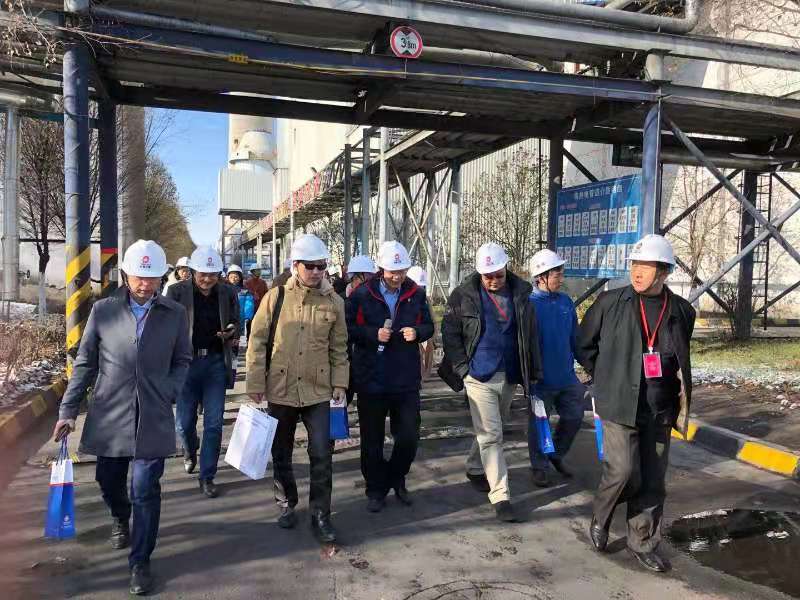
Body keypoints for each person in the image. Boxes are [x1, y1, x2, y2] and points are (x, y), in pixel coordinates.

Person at [53, 240, 192, 595]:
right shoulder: (104, 311)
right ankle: (120, 515)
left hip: (153, 412)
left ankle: (140, 562)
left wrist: (171, 389)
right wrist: (68, 411)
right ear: (126, 275)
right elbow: (85, 363)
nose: (145, 284)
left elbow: (182, 359)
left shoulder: (175, 314)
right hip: (110, 411)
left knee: (144, 488)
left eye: (152, 278)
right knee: (108, 479)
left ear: (161, 278)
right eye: (139, 277)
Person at [577, 234, 695, 573]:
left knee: (653, 479)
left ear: (664, 272)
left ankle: (642, 542)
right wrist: (604, 376)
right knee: (624, 470)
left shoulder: (682, 311)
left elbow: (680, 356)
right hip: (618, 402)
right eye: (634, 264)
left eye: (646, 265)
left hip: (659, 406)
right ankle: (601, 516)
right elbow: (584, 345)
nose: (637, 272)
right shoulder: (610, 303)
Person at [246, 233, 349, 543]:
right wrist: (255, 382)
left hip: (319, 390)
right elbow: (257, 341)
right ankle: (286, 503)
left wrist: (340, 383)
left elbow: (339, 347)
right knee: (281, 452)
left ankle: (321, 515)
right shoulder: (275, 297)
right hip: (281, 388)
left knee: (322, 454)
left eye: (321, 266)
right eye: (310, 266)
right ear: (295, 266)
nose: (316, 272)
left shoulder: (335, 303)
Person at [439, 242, 542, 522]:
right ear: (479, 273)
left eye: (498, 275)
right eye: (488, 276)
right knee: (492, 435)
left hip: (509, 373)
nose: (493, 281)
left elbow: (529, 335)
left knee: (491, 429)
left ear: (506, 269)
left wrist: (532, 371)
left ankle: (475, 466)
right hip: (478, 375)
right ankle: (500, 495)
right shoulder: (462, 296)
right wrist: (463, 370)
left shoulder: (521, 294)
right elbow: (450, 334)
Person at [346, 242, 434, 512]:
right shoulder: (362, 295)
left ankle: (396, 477)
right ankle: (375, 489)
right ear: (381, 269)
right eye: (393, 271)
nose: (397, 276)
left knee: (408, 436)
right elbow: (347, 329)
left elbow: (429, 326)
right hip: (371, 378)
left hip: (405, 379)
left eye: (402, 271)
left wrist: (417, 332)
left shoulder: (416, 294)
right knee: (372, 441)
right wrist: (372, 334)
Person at [167, 246, 239, 499]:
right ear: (192, 272)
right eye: (202, 274)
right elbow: (165, 326)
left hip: (215, 364)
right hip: (186, 365)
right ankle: (190, 450)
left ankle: (207, 476)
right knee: (183, 423)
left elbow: (236, 321)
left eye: (212, 275)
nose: (207, 279)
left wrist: (231, 330)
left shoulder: (228, 292)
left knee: (214, 424)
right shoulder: (176, 292)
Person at [527, 249, 585, 488]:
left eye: (561, 273)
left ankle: (556, 454)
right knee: (539, 425)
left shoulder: (565, 302)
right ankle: (539, 467)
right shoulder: (529, 305)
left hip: (567, 377)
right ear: (541, 276)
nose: (561, 278)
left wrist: (589, 364)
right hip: (540, 381)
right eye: (557, 274)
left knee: (574, 417)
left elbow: (575, 338)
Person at [406, 265, 435, 380]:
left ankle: (425, 375)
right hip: (409, 334)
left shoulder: (425, 299)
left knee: (429, 347)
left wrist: (433, 334)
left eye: (422, 287)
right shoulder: (403, 299)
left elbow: (432, 319)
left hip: (423, 332)